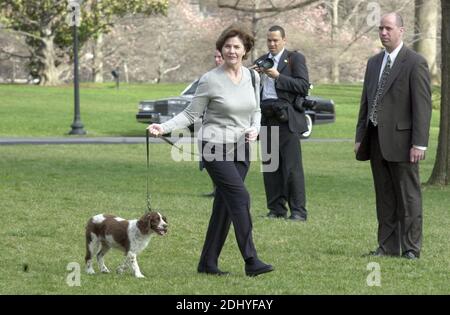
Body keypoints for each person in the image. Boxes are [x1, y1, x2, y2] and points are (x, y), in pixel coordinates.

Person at [148, 26, 274, 277]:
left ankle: (207, 263)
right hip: (214, 147)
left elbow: (256, 110)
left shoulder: (253, 77)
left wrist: (255, 128)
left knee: (225, 206)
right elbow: (191, 114)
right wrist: (163, 127)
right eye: (227, 46)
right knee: (240, 198)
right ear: (221, 49)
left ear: (246, 50)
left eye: (237, 46)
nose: (232, 51)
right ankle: (251, 260)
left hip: (242, 148)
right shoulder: (209, 79)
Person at [355, 13, 432, 260]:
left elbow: (422, 107)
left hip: (404, 143)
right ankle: (388, 246)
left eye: (388, 28)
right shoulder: (374, 62)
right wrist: (360, 137)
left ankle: (411, 248)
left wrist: (419, 143)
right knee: (385, 197)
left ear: (401, 30)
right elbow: (365, 103)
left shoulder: (415, 62)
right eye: (380, 28)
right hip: (376, 140)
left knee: (408, 198)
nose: (383, 32)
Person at [255, 25, 310, 221]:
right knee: (270, 166)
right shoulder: (261, 61)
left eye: (276, 40)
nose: (272, 44)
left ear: (284, 40)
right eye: (269, 40)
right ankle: (276, 209)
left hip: (286, 118)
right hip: (266, 116)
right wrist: (254, 75)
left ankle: (298, 211)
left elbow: (303, 86)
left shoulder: (295, 59)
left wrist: (278, 76)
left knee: (291, 167)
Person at [200, 49, 224, 197]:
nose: (217, 59)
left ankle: (222, 190)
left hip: (227, 129)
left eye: (219, 57)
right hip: (209, 126)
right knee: (209, 160)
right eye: (215, 56)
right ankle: (217, 189)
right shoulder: (210, 77)